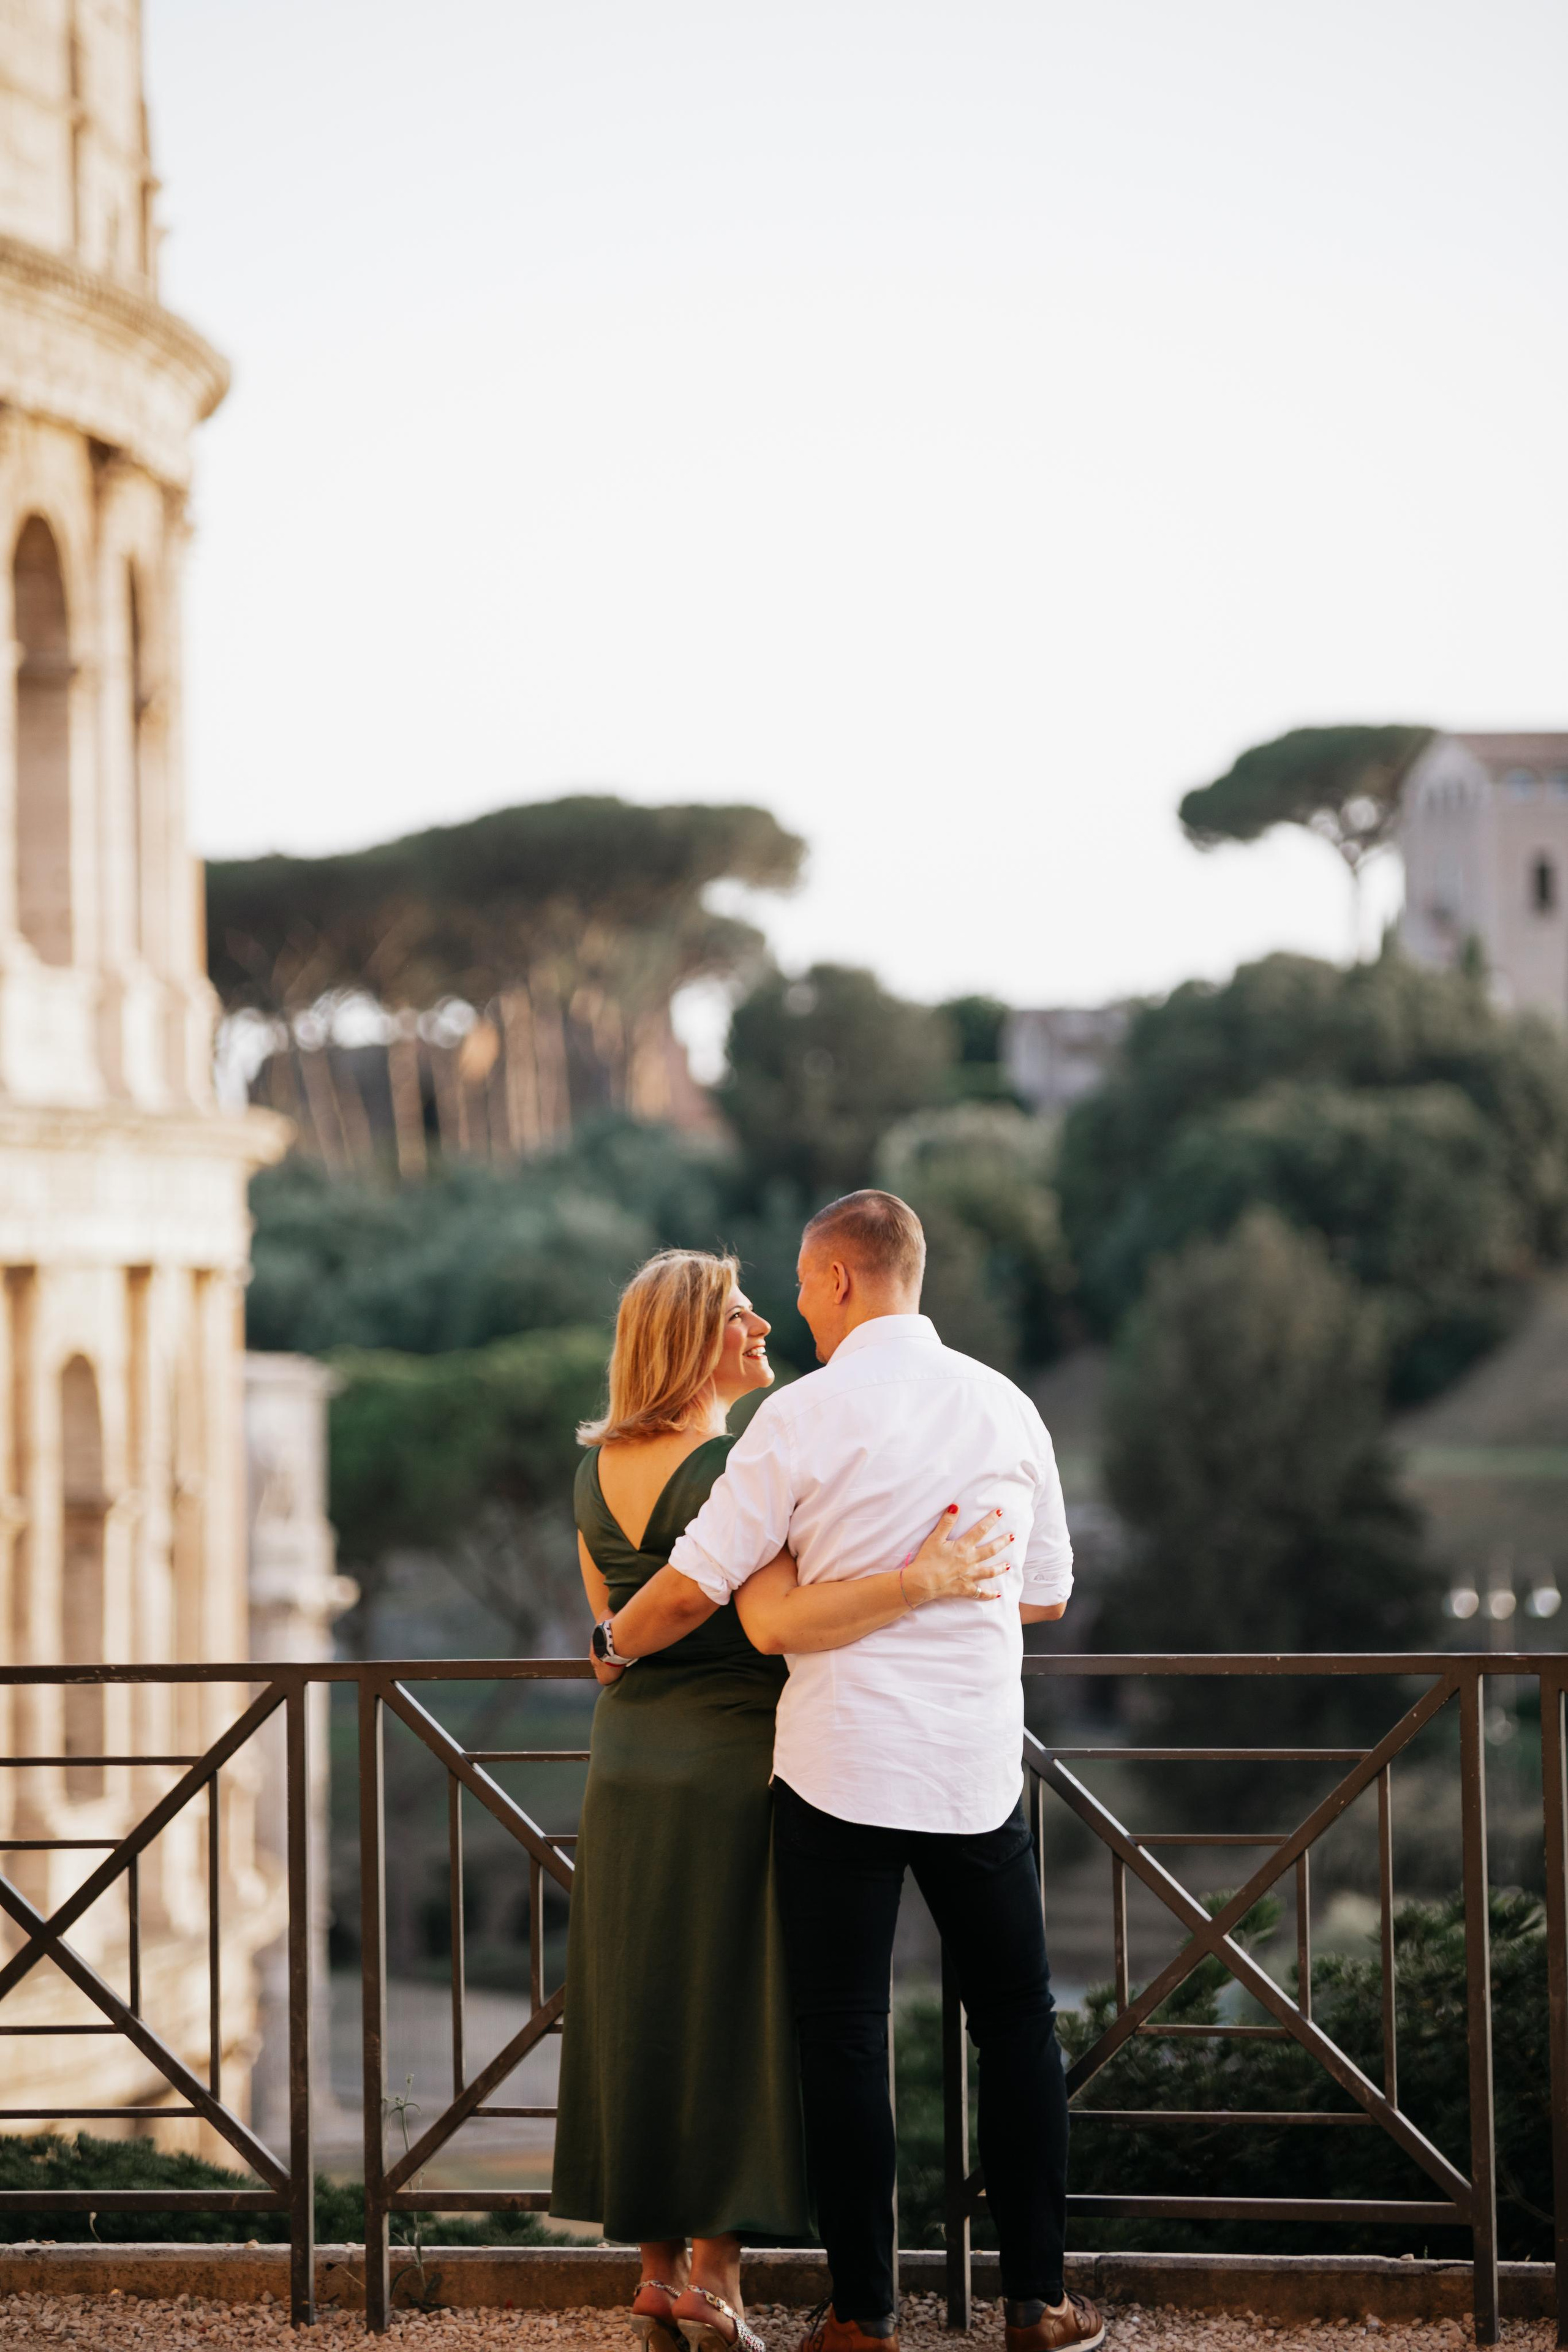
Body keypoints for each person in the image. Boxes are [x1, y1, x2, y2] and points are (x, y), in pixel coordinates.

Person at [603, 1196, 1102, 2352]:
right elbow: (1047, 1594)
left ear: (835, 1280)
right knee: (1020, 2029)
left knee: (844, 2037)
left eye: (798, 1284)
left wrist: (612, 1645)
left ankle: (860, 2316)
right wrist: (937, 1580)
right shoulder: (1007, 1405)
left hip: (837, 1771)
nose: (793, 1310)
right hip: (976, 1769)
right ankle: (1038, 2301)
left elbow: (695, 1586)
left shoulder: (796, 1420)